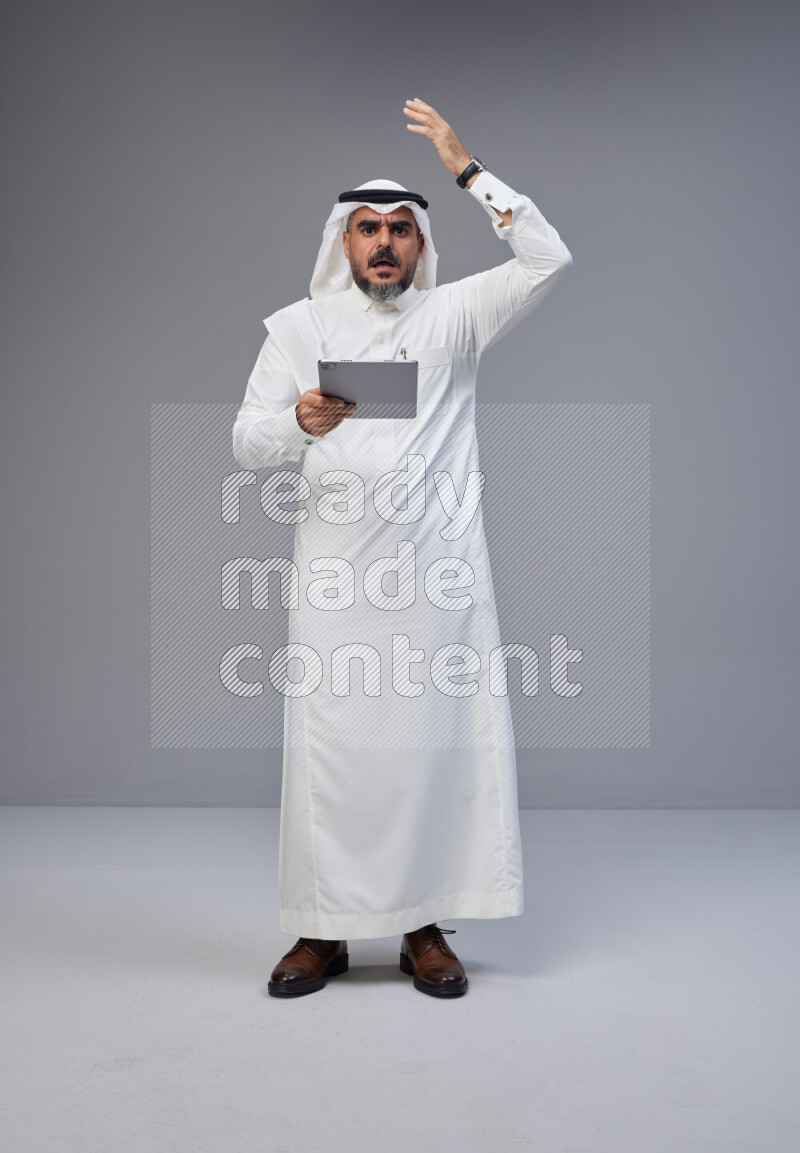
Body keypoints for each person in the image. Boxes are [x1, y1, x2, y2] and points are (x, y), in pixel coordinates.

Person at [232, 98, 572, 999]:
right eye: (367, 228)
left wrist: (468, 170)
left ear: (421, 241)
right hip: (336, 584)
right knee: (334, 754)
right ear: (344, 241)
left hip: (436, 582)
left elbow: (548, 258)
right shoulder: (298, 329)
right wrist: (297, 422)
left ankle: (424, 926)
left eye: (399, 228)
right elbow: (246, 442)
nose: (383, 242)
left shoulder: (456, 316)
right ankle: (323, 929)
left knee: (428, 751)